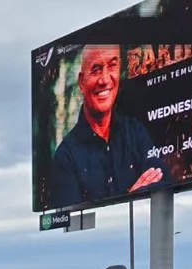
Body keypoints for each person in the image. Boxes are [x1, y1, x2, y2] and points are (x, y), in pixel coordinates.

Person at [48, 43, 164, 208]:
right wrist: (130, 196)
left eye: (112, 66)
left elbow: (162, 181)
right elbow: (69, 220)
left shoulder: (135, 132)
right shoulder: (66, 157)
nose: (104, 80)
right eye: (96, 69)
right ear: (81, 82)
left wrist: (133, 195)